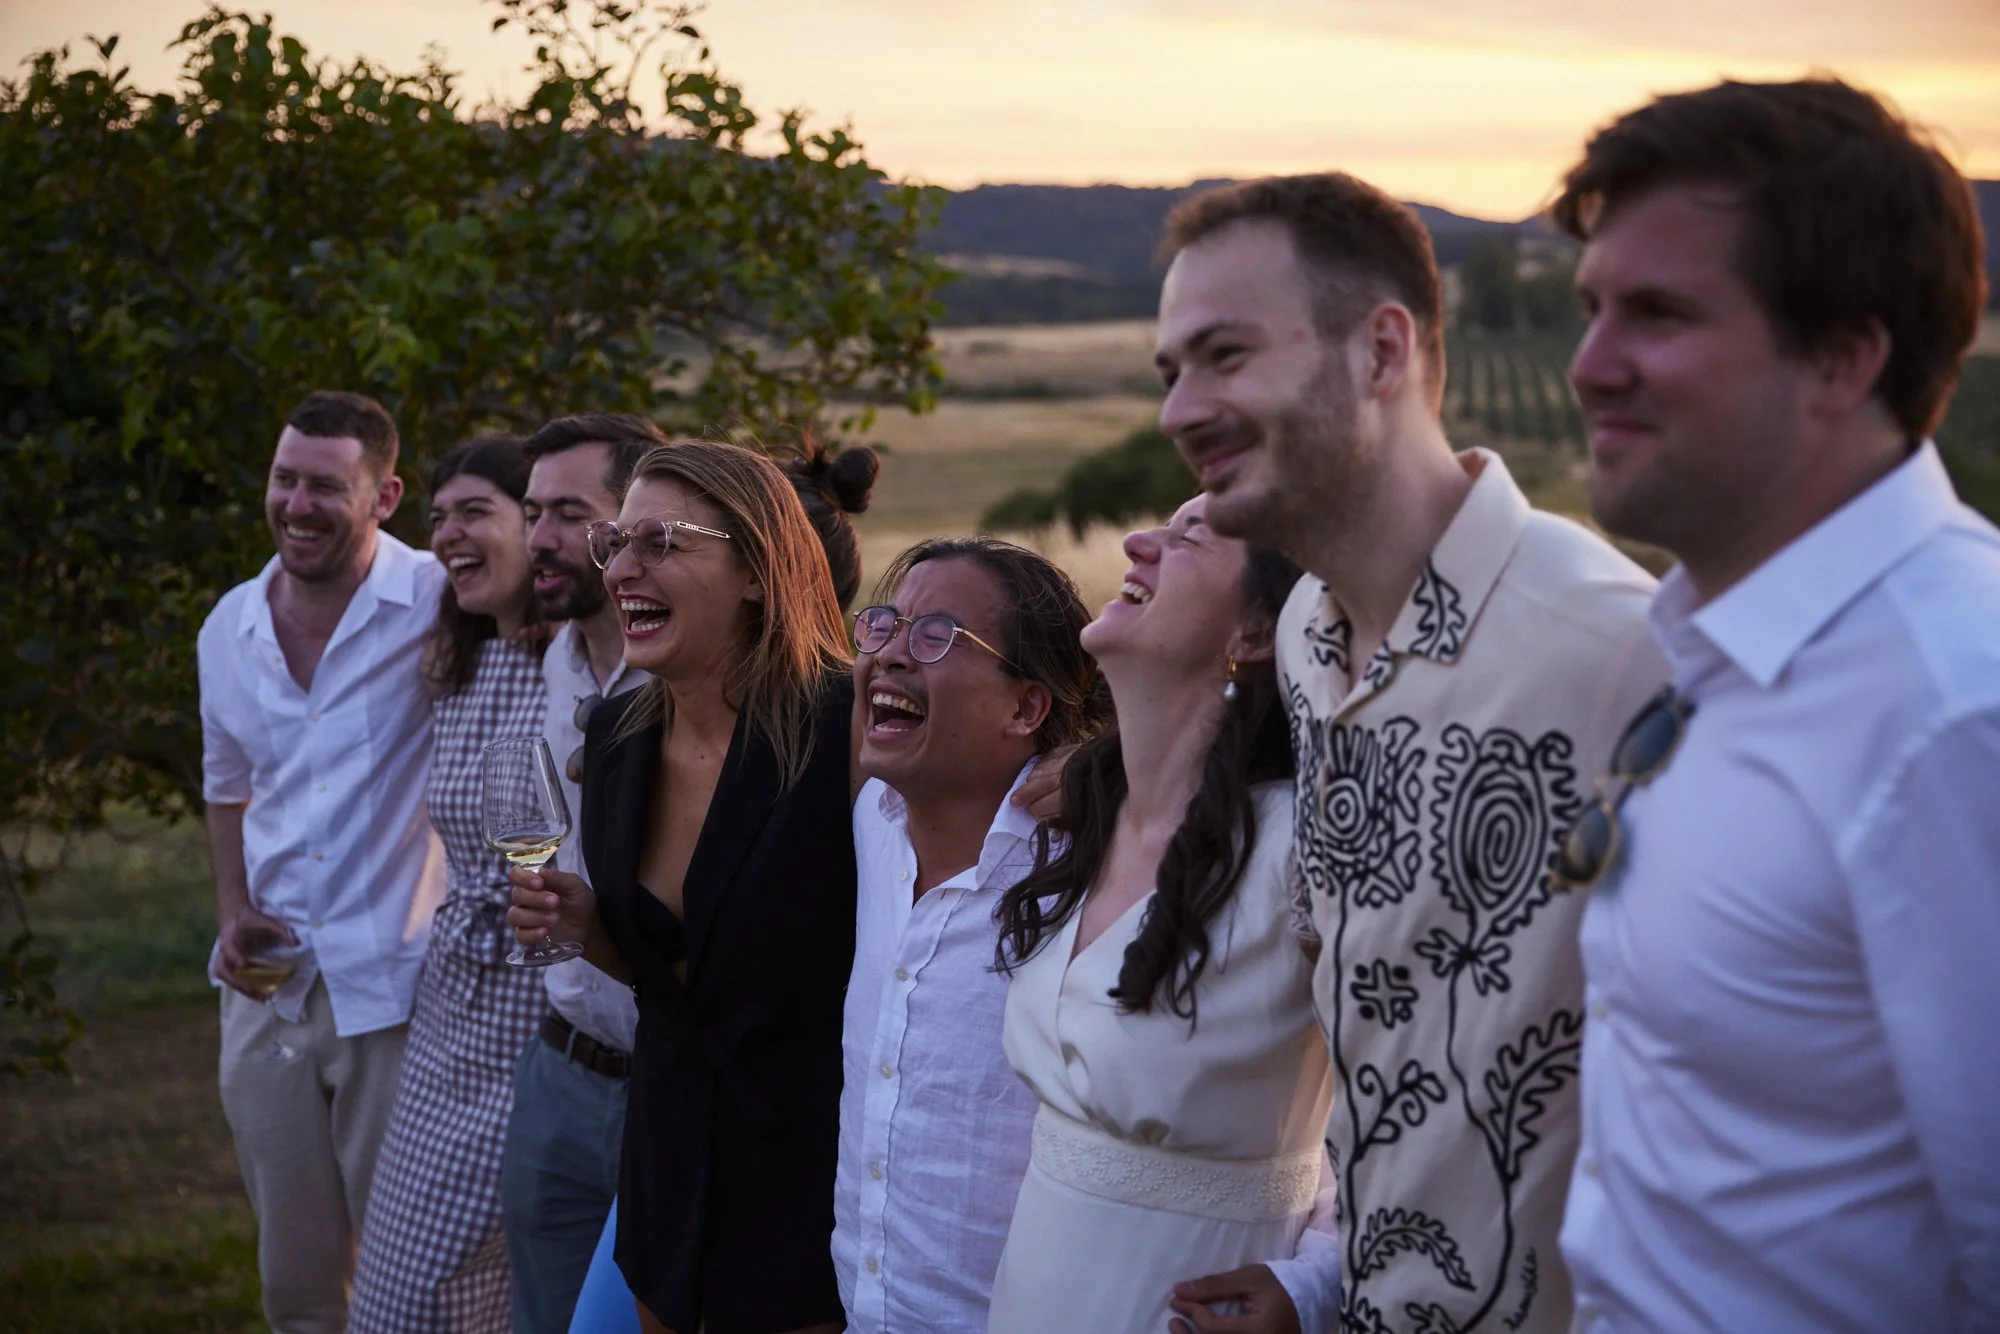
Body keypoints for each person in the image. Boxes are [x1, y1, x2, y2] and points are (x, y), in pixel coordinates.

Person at [1153, 175, 1665, 1333]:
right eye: (1168, 370)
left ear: (1381, 349)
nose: (1181, 409)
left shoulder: (1612, 651)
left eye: (1224, 355)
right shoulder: (1302, 637)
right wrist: (1321, 1283)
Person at [1547, 79, 2000, 1332]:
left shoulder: (1955, 706)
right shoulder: (1710, 649)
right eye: (1591, 309)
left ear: (1843, 356)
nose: (1588, 368)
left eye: (1658, 313)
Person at [507, 439, 864, 1334]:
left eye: (659, 542)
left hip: (813, 1169)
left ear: (756, 570)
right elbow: (681, 987)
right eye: (615, 545)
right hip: (667, 1153)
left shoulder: (852, 734)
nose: (622, 568)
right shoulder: (619, 736)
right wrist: (589, 928)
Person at [982, 501, 1339, 1334]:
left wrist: (1318, 1284)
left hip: (1188, 1305)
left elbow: (1413, 1115)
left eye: (1187, 538)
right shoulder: (1087, 824)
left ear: (1255, 633)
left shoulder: (1305, 849)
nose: (1137, 541)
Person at [199, 390, 446, 1334]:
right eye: (283, 479)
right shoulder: (227, 627)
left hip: (395, 986)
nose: (296, 505)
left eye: (324, 488)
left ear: (384, 496)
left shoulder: (437, 600)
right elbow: (228, 788)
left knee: (404, 1269)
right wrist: (232, 910)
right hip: (264, 993)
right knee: (294, 1281)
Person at [832, 536, 1106, 1333]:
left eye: (936, 636)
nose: (888, 657)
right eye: (884, 626)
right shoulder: (871, 825)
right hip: (866, 1309)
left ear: (1027, 708)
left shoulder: (1094, 864)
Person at [349, 437, 549, 1332]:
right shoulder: (458, 660)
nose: (449, 534)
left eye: (476, 511)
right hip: (451, 1010)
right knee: (402, 1284)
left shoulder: (584, 664)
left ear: (537, 530)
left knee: (476, 1283)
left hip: (542, 1009)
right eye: (438, 516)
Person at [501, 413, 665, 1334]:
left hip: (670, 1083)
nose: (542, 538)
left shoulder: (697, 677)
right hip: (561, 1068)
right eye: (534, 512)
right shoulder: (553, 660)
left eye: (570, 512)